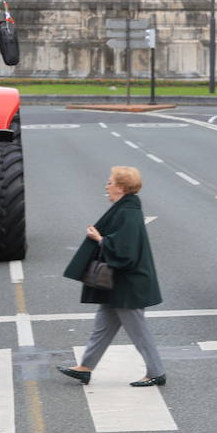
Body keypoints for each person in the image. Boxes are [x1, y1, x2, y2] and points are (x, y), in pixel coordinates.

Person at [58, 166, 166, 387]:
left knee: (139, 332)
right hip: (119, 283)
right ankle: (85, 367)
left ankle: (156, 372)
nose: (106, 187)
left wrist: (99, 239)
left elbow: (125, 250)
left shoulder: (128, 212)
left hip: (128, 285)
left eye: (109, 183)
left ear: (121, 187)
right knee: (102, 326)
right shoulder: (125, 208)